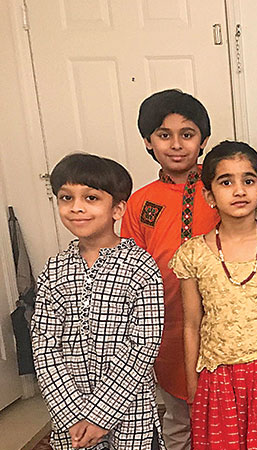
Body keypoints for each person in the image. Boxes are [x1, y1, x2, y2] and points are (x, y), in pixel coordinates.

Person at [169, 142, 257, 449]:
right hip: (219, 381)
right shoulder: (193, 254)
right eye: (226, 182)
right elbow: (191, 325)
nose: (239, 191)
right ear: (209, 195)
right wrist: (194, 392)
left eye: (248, 181)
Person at [32, 153, 165, 450]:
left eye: (91, 198)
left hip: (130, 412)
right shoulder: (54, 270)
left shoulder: (140, 267)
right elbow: (44, 345)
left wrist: (101, 416)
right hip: (71, 416)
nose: (76, 207)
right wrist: (70, 413)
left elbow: (143, 345)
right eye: (66, 198)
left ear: (118, 209)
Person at [121, 89, 219, 450]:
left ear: (203, 140)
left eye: (187, 134)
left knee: (222, 413)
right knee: (179, 417)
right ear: (148, 141)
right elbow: (129, 267)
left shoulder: (220, 189)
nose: (176, 145)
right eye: (164, 135)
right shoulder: (140, 201)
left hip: (221, 323)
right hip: (166, 324)